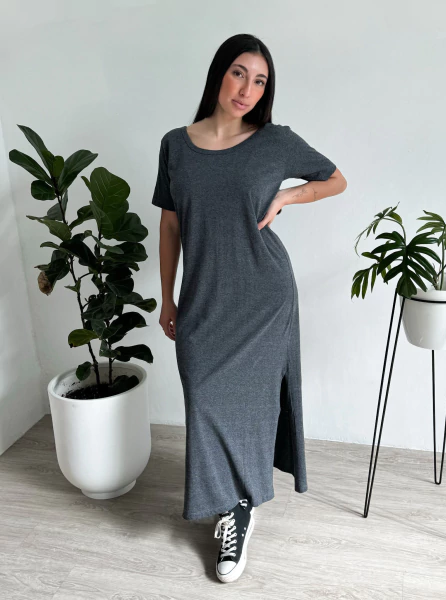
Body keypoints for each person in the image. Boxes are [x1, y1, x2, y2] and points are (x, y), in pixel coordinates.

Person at [152, 33, 347, 583]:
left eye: (260, 81)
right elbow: (170, 224)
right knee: (205, 401)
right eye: (239, 73)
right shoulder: (175, 145)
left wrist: (286, 196)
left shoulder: (274, 141)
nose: (247, 89)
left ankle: (238, 509)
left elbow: (335, 179)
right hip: (203, 299)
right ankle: (233, 497)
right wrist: (167, 296)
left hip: (264, 297)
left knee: (254, 408)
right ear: (219, 72)